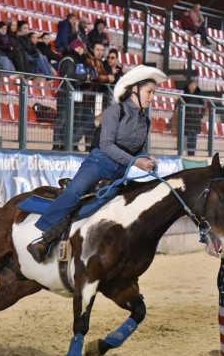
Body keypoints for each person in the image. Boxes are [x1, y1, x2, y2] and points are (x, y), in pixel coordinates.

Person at [27, 65, 168, 263]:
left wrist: (147, 157)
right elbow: (106, 145)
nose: (152, 97)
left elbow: (137, 149)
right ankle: (44, 238)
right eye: (149, 92)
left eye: (154, 93)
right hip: (99, 163)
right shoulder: (114, 112)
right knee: (75, 192)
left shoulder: (145, 121)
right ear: (135, 89)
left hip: (121, 171)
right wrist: (136, 162)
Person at [52, 39, 94, 151]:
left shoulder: (77, 60)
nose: (80, 50)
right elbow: (70, 75)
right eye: (78, 47)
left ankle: (67, 144)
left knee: (73, 120)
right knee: (62, 119)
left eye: (82, 47)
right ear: (73, 48)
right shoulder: (69, 60)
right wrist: (85, 78)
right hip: (65, 95)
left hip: (73, 94)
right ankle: (56, 144)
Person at [182, 78, 205, 156]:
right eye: (191, 85)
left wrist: (201, 115)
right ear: (188, 86)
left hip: (195, 120)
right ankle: (189, 153)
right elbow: (178, 104)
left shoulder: (198, 95)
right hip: (187, 119)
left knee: (194, 138)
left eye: (194, 85)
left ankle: (192, 153)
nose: (192, 86)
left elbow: (203, 106)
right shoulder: (184, 95)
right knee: (188, 137)